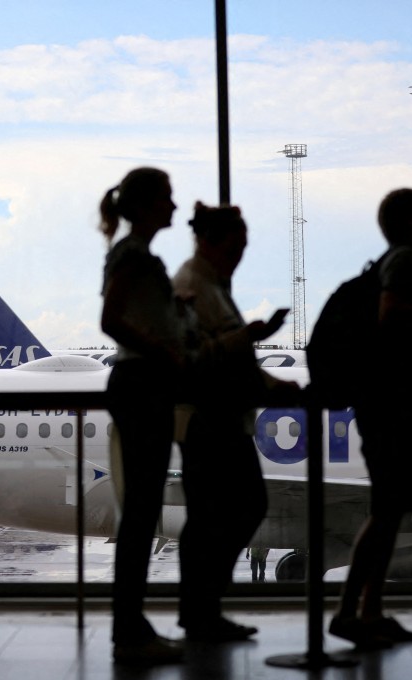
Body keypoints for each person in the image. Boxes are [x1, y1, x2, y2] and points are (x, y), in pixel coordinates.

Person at [328, 188, 412, 648]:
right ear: (410, 223)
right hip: (390, 409)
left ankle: (367, 611)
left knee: (386, 515)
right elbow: (391, 312)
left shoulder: (392, 261)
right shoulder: (406, 261)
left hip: (385, 406)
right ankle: (354, 612)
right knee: (384, 517)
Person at [171, 202, 297, 641]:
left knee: (221, 516)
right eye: (236, 246)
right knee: (230, 513)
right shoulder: (193, 286)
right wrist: (251, 336)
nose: (240, 255)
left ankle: (203, 609)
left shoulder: (213, 285)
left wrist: (270, 384)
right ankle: (201, 610)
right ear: (211, 241)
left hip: (225, 419)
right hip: (208, 422)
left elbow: (230, 357)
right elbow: (193, 357)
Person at [98, 168, 186, 664]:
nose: (175, 207)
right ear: (149, 205)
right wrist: (163, 352)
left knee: (141, 514)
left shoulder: (132, 253)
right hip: (142, 386)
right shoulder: (133, 255)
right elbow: (111, 320)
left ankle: (129, 625)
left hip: (141, 386)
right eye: (167, 198)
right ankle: (129, 629)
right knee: (140, 516)